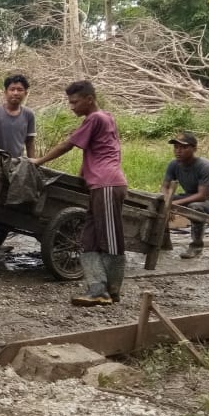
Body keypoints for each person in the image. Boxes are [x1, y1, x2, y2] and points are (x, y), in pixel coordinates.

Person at [32, 81, 128, 306]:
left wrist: (39, 160)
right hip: (99, 184)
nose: (71, 107)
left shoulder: (96, 118)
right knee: (89, 239)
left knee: (110, 240)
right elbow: (100, 150)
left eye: (75, 102)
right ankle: (97, 290)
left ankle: (112, 290)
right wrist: (84, 173)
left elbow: (68, 145)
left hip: (107, 184)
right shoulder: (106, 117)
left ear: (90, 99)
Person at [161, 131, 209, 259]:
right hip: (188, 196)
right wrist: (166, 202)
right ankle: (163, 242)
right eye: (176, 147)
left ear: (194, 149)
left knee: (195, 207)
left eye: (183, 147)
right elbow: (164, 187)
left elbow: (202, 196)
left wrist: (173, 203)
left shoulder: (205, 166)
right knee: (158, 202)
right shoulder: (174, 164)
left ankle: (196, 247)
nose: (178, 151)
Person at [0, 73, 36, 158]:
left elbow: (30, 142)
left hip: (18, 163)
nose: (15, 93)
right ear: (5, 92)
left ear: (25, 93)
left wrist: (34, 165)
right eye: (12, 89)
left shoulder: (29, 114)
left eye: (20, 90)